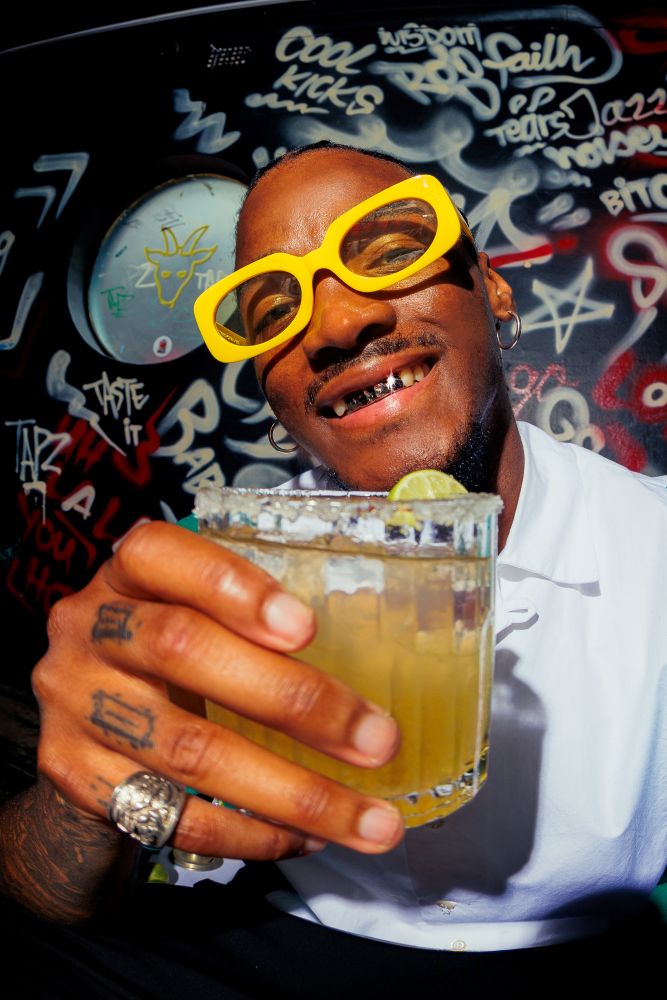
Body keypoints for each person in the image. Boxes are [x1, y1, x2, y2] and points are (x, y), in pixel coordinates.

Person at [0, 141, 665, 997]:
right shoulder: (218, 576)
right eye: (271, 307)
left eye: (388, 250)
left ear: (492, 287)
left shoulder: (650, 541)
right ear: (267, 386)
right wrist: (84, 797)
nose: (338, 324)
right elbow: (49, 899)